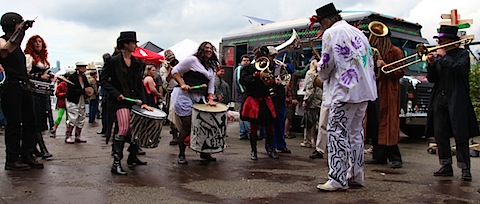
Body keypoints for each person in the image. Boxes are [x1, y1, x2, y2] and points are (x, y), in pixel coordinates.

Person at [311, 3, 377, 191]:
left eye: (321, 24)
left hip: (344, 91)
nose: (321, 28)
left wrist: (318, 70)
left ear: (326, 21)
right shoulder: (359, 33)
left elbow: (327, 64)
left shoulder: (331, 33)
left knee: (337, 133)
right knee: (356, 134)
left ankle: (337, 178)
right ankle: (356, 175)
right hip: (363, 91)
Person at [425, 25, 479, 181]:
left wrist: (444, 57)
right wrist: (431, 65)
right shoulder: (440, 57)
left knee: (460, 134)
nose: (440, 43)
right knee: (441, 134)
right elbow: (433, 79)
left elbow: (461, 70)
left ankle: (465, 168)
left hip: (457, 100)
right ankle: (446, 165)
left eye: (442, 40)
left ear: (451, 41)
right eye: (439, 41)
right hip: (440, 99)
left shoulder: (462, 54)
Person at [101, 31, 150, 175]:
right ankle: (116, 163)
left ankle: (132, 156)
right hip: (119, 102)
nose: (136, 45)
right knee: (123, 128)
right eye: (133, 43)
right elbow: (103, 81)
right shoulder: (113, 61)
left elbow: (140, 84)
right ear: (125, 44)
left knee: (138, 128)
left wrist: (144, 103)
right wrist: (117, 94)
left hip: (134, 100)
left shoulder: (137, 63)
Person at [0, 12, 44, 170]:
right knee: (13, 124)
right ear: (12, 24)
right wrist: (21, 31)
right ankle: (12, 159)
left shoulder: (18, 46)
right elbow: (5, 50)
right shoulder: (2, 40)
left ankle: (27, 154)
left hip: (24, 86)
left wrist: (22, 30)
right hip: (11, 86)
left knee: (30, 123)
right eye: (18, 23)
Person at [364, 24, 405, 169]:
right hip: (375, 90)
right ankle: (379, 156)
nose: (374, 39)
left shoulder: (396, 51)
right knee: (375, 124)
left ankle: (395, 157)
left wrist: (384, 65)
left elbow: (400, 72)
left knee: (388, 125)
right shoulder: (373, 52)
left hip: (388, 92)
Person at [171, 41, 218, 165]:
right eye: (206, 48)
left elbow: (211, 85)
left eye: (211, 48)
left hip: (199, 98)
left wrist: (211, 98)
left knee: (204, 125)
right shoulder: (192, 60)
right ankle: (181, 154)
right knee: (187, 126)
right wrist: (182, 84)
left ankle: (204, 152)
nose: (209, 50)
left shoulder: (211, 67)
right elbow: (175, 71)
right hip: (184, 97)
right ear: (201, 50)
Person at [241, 46, 278, 160]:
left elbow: (272, 83)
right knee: (253, 126)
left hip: (265, 99)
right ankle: (254, 151)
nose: (263, 59)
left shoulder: (270, 67)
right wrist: (256, 75)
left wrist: (271, 81)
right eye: (261, 57)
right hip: (254, 100)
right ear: (256, 57)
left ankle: (271, 149)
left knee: (269, 125)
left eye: (265, 57)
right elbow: (242, 81)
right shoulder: (248, 69)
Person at [24, 34, 53, 159]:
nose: (38, 44)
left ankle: (34, 148)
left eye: (40, 41)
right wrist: (40, 77)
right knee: (35, 120)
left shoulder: (42, 59)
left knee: (41, 120)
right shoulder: (29, 57)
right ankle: (41, 147)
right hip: (33, 93)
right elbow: (25, 75)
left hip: (43, 93)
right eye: (35, 42)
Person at [267, 46, 291, 154]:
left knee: (280, 121)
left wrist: (284, 67)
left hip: (279, 97)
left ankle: (281, 145)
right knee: (269, 123)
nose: (273, 58)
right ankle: (270, 146)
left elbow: (289, 74)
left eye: (274, 55)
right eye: (271, 56)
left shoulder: (278, 66)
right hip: (269, 96)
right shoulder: (263, 65)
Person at [65, 61, 92, 144]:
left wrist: (89, 91)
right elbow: (71, 90)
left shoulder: (84, 77)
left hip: (81, 99)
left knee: (81, 117)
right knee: (72, 118)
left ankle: (78, 136)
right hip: (73, 99)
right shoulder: (72, 77)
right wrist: (83, 91)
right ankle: (68, 136)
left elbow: (87, 86)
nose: (84, 69)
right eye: (82, 67)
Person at [159, 49, 180, 145]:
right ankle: (175, 135)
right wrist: (170, 70)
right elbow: (166, 81)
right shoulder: (163, 69)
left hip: (180, 90)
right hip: (171, 92)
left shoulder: (179, 65)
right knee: (172, 114)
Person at [301, 59, 322, 148]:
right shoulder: (320, 74)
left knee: (308, 121)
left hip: (312, 101)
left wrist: (306, 100)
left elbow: (309, 88)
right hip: (319, 100)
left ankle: (307, 140)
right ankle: (313, 139)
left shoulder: (310, 74)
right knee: (315, 121)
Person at [233, 54, 250, 140]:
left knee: (243, 115)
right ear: (241, 61)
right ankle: (245, 132)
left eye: (248, 60)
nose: (246, 62)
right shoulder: (240, 69)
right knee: (244, 114)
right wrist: (244, 92)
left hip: (242, 96)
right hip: (241, 96)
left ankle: (243, 133)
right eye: (244, 60)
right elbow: (239, 82)